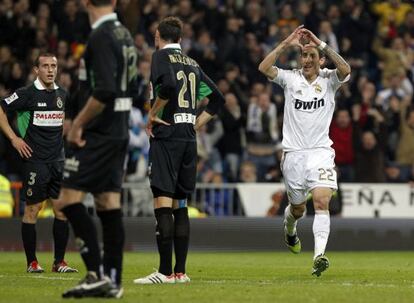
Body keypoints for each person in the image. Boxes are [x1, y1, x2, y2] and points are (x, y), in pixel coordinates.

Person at [133, 16, 225, 285]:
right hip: (187, 139)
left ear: (158, 37)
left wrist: (152, 114)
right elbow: (218, 99)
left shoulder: (160, 56)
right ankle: (180, 272)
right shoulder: (193, 64)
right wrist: (196, 123)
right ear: (181, 39)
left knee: (162, 201)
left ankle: (162, 272)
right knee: (181, 205)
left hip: (167, 135)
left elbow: (170, 86)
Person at [56, 0, 138, 298]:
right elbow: (136, 85)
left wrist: (77, 123)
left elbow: (104, 90)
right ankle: (112, 281)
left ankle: (95, 273)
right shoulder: (124, 34)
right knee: (107, 203)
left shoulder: (101, 36)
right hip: (119, 129)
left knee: (65, 200)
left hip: (99, 132)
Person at [258, 25, 351, 276]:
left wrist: (320, 43)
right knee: (297, 209)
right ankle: (289, 229)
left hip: (320, 151)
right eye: (304, 55)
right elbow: (264, 68)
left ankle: (319, 256)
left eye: (312, 56)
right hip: (294, 155)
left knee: (322, 201)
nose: (307, 60)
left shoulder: (330, 80)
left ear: (321, 59)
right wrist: (286, 43)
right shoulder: (290, 78)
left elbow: (346, 69)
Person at [0, 53, 78, 274]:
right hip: (36, 162)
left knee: (62, 210)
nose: (50, 70)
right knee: (33, 210)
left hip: (58, 161)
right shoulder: (27, 94)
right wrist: (15, 139)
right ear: (36, 70)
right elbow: (1, 109)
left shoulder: (62, 93)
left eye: (53, 65)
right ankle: (32, 262)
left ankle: (59, 262)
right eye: (45, 66)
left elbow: (65, 122)